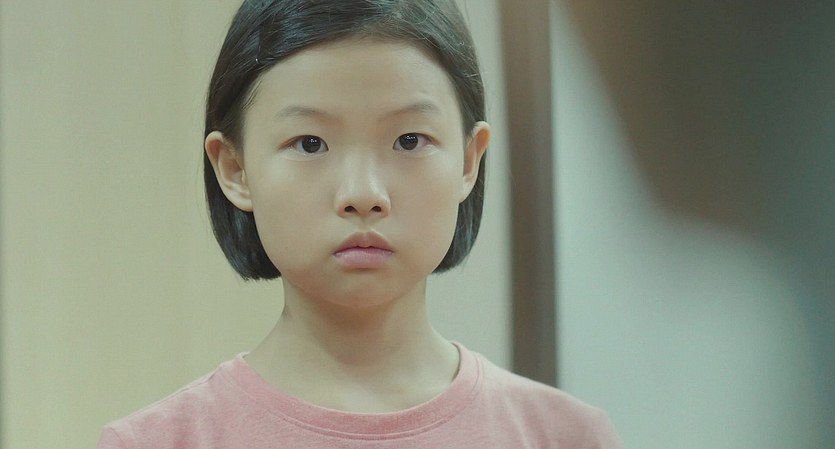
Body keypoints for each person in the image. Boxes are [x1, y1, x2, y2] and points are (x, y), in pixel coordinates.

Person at [97, 0, 622, 447]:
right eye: (310, 144)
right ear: (235, 169)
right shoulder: (158, 442)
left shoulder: (564, 436)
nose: (363, 194)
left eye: (409, 141)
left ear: (468, 161)